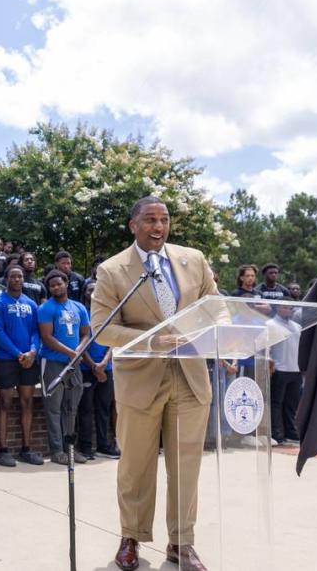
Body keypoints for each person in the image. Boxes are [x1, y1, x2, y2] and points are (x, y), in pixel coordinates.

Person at [91, 196, 218, 571]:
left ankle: (181, 542)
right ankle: (131, 537)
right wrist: (150, 340)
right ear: (134, 225)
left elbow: (217, 304)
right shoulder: (113, 270)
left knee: (186, 467)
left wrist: (205, 327)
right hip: (140, 380)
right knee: (136, 466)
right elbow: (101, 329)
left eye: (164, 219)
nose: (158, 226)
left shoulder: (192, 259)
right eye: (150, 219)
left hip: (190, 377)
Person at [0, 265, 42, 466]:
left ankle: (26, 449)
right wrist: (18, 353)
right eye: (13, 276)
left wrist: (32, 351)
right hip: (7, 359)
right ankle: (3, 450)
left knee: (27, 403)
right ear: (7, 279)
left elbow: (36, 331)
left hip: (28, 359)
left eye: (20, 276)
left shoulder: (31, 304)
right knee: (4, 404)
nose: (17, 279)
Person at [38, 270, 89, 465]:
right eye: (52, 285)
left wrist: (77, 351)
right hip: (52, 362)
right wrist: (71, 353)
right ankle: (57, 450)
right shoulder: (46, 308)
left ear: (66, 284)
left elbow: (86, 334)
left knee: (71, 408)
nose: (56, 287)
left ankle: (71, 449)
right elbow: (47, 337)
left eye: (59, 284)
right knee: (53, 408)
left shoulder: (79, 308)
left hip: (73, 364)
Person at [76, 281, 120, 460]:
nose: (93, 292)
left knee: (103, 408)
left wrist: (103, 364)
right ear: (85, 293)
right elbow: (80, 341)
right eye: (89, 289)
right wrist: (94, 366)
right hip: (86, 367)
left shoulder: (109, 314)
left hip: (106, 367)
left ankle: (103, 445)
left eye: (96, 289)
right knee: (85, 409)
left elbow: (113, 342)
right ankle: (85, 446)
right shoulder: (80, 313)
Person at [269, 301, 302, 445]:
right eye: (284, 307)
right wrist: (269, 361)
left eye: (290, 308)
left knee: (292, 404)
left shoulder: (297, 327)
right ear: (277, 308)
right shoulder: (270, 325)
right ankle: (277, 435)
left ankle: (291, 433)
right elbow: (266, 346)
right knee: (276, 403)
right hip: (279, 369)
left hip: (295, 369)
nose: (288, 310)